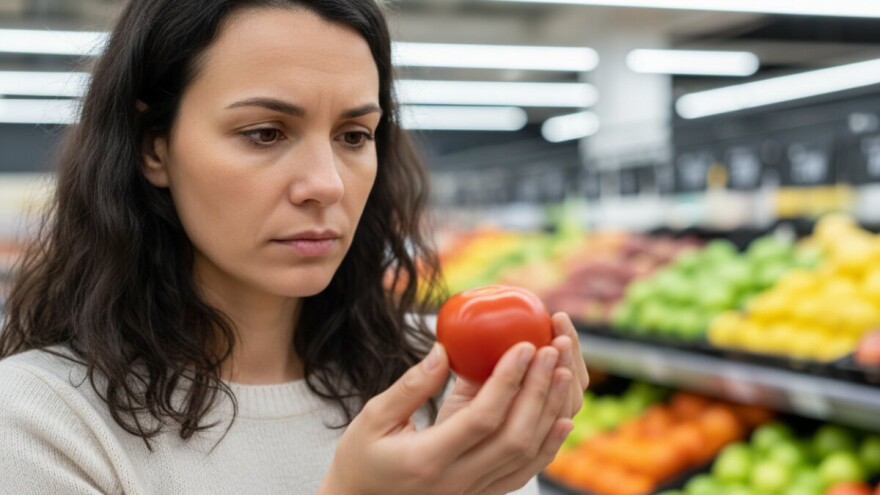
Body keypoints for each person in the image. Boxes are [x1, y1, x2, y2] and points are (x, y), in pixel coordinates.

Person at [0, 0, 590, 493]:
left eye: (354, 135)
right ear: (154, 148)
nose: (327, 184)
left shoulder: (440, 383)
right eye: (265, 133)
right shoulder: (40, 422)